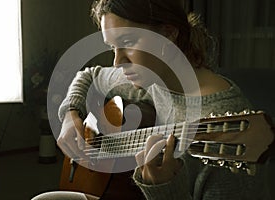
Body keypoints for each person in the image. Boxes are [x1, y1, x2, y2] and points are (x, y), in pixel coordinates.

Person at [32, 0, 272, 199]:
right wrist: (70, 114)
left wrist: (165, 188)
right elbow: (89, 75)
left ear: (168, 36)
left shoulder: (228, 121)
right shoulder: (148, 79)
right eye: (112, 48)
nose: (117, 62)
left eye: (127, 43)